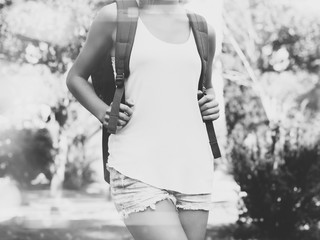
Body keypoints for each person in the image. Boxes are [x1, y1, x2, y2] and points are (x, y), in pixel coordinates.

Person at [66, 0, 220, 239]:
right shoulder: (115, 16)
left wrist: (211, 100)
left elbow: (206, 86)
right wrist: (102, 111)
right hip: (136, 165)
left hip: (194, 167)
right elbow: (75, 77)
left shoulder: (203, 28)